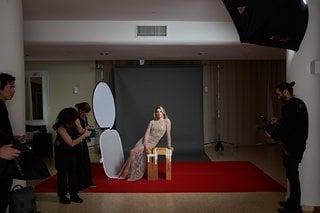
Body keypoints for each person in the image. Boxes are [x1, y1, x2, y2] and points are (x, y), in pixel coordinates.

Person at [265, 81, 308, 213]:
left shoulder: (289, 107)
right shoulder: (299, 103)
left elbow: (287, 129)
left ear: (285, 92)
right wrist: (278, 120)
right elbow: (292, 122)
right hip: (298, 145)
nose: (278, 98)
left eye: (279, 95)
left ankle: (295, 207)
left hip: (292, 147)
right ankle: (291, 201)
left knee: (293, 177)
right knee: (291, 175)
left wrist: (272, 135)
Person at [117, 105, 174, 181]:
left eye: (160, 111)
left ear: (163, 112)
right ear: (155, 113)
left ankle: (126, 172)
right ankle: (127, 172)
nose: (158, 113)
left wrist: (169, 145)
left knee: (132, 151)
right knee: (133, 152)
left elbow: (168, 134)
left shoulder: (167, 121)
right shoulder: (152, 122)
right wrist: (145, 144)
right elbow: (147, 133)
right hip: (144, 140)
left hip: (152, 143)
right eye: (157, 112)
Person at [53, 107, 91, 204]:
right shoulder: (60, 128)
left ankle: (74, 194)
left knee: (73, 172)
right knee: (62, 173)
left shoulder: (76, 120)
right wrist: (84, 136)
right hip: (62, 151)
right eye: (74, 118)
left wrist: (87, 130)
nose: (76, 120)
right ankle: (62, 195)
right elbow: (71, 143)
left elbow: (80, 130)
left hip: (73, 151)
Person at [0, 73, 24, 212]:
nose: (14, 90)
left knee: (3, 199)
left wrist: (13, 138)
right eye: (11, 87)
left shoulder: (2, 106)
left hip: (5, 164)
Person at [75, 102, 96, 190]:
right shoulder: (76, 118)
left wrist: (88, 127)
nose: (87, 114)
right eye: (85, 112)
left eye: (88, 112)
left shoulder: (85, 117)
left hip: (83, 141)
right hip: (77, 142)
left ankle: (88, 182)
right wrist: (87, 130)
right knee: (80, 163)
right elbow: (79, 130)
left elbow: (84, 128)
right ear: (80, 110)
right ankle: (80, 184)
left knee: (86, 162)